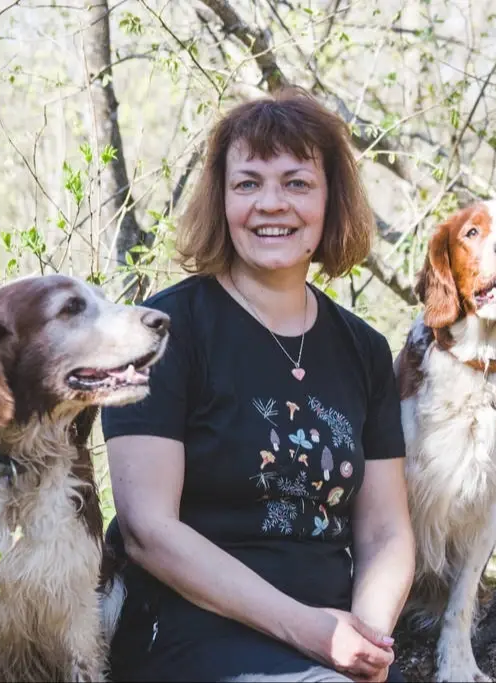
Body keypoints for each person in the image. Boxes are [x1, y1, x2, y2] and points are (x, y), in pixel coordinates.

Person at [101, 87, 415, 683]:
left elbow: (386, 529)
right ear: (221, 201)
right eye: (248, 184)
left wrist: (365, 640)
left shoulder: (364, 350)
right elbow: (147, 531)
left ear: (332, 202)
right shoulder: (165, 333)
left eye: (297, 183)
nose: (272, 204)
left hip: (332, 643)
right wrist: (312, 632)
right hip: (191, 636)